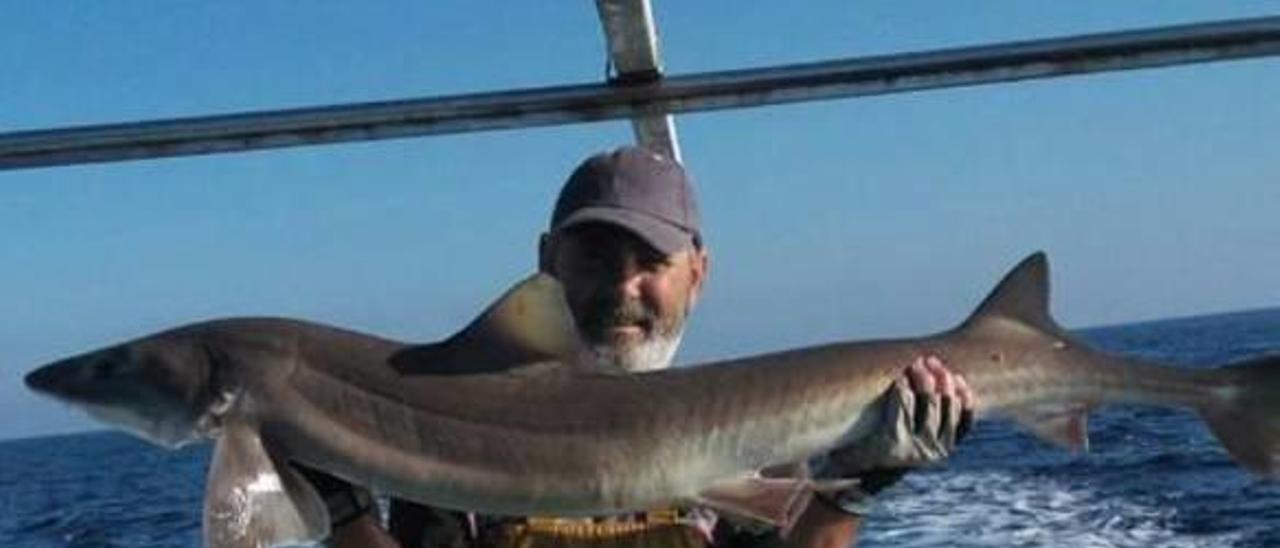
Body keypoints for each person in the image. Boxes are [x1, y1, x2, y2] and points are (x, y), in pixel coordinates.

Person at [305, 146, 976, 547]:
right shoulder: (458, 429)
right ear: (547, 260)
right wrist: (343, 507)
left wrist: (855, 490)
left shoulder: (758, 442)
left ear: (698, 274)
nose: (622, 286)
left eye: (649, 259)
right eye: (595, 257)